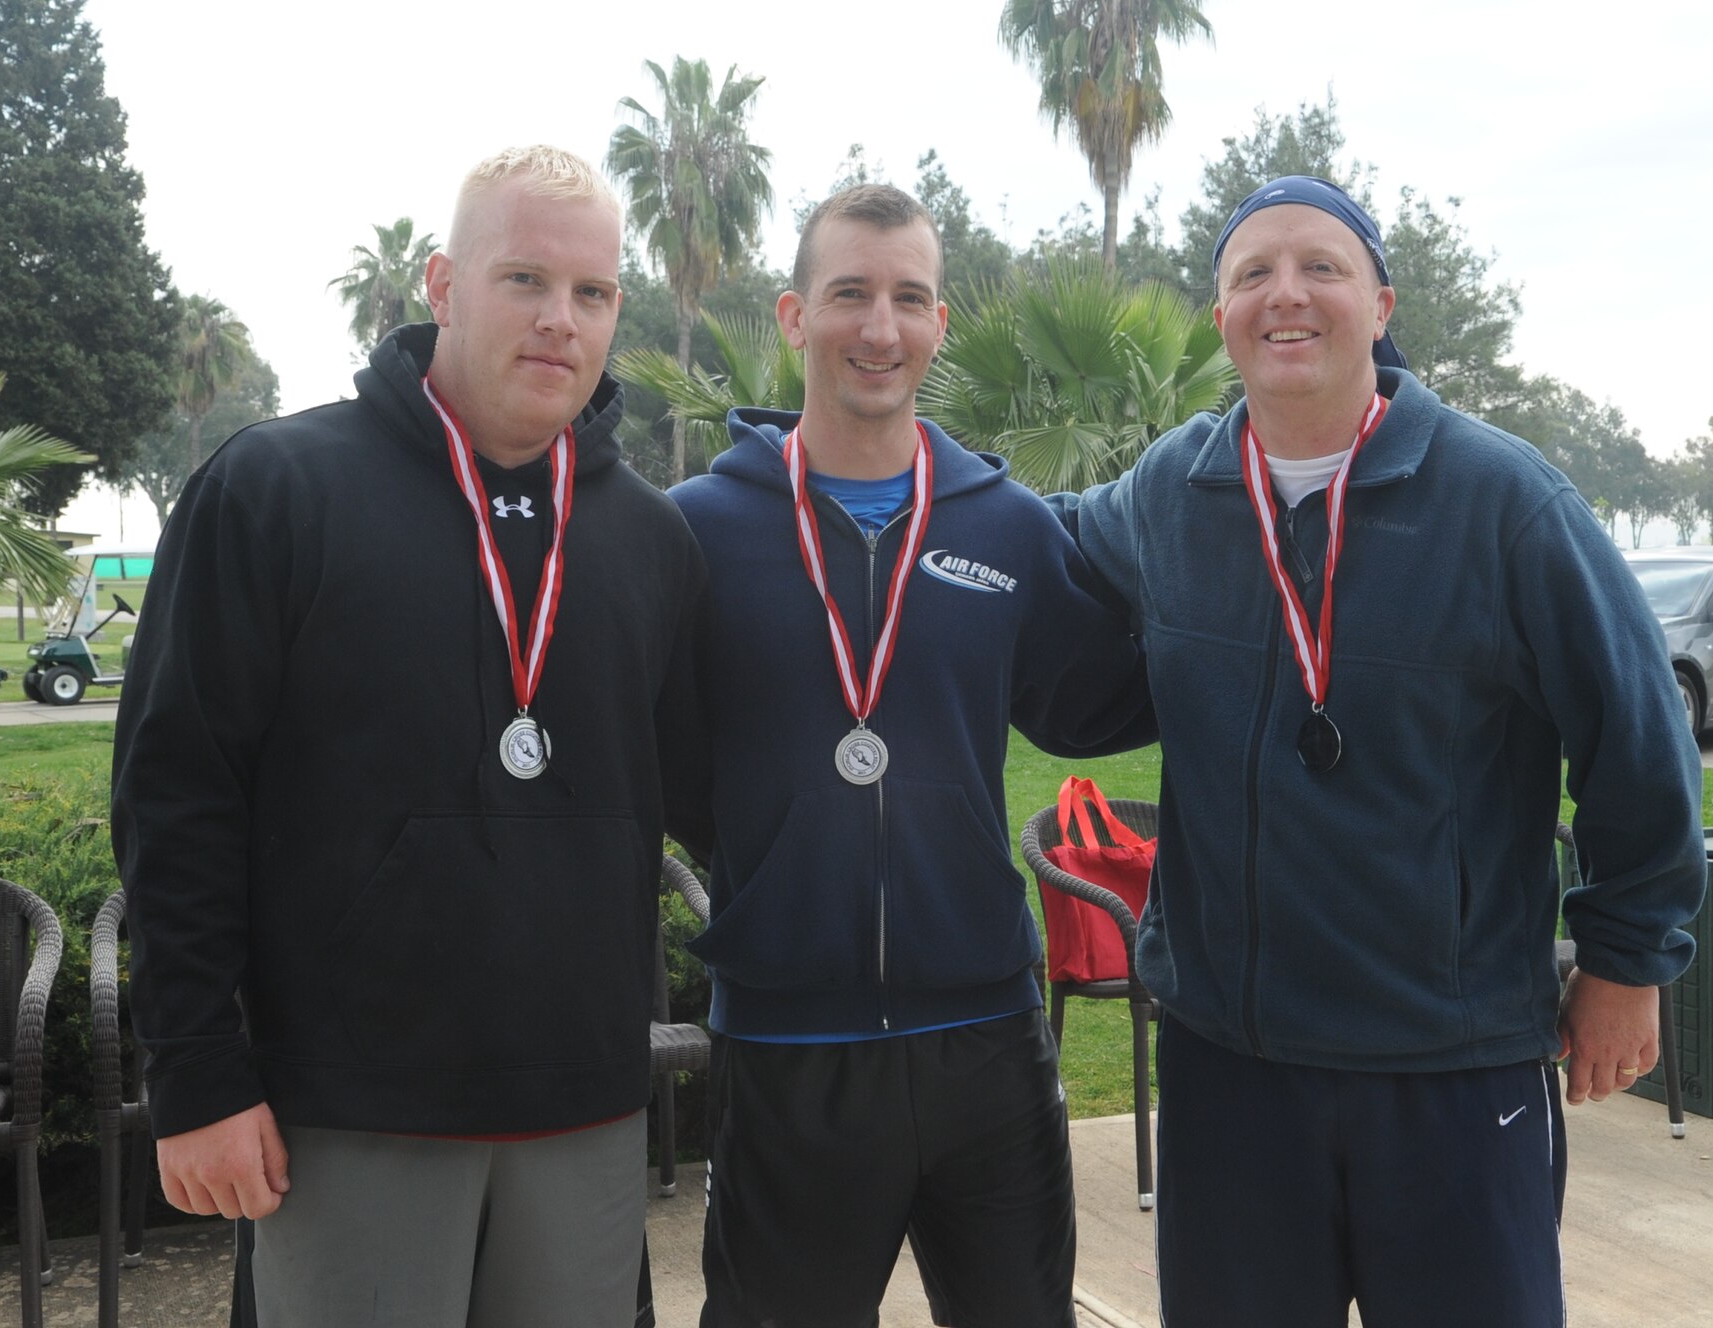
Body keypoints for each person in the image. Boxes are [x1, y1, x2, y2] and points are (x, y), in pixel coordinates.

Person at [1058, 176, 1707, 1327]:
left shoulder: (1502, 501)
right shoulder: (1172, 490)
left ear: (1380, 300)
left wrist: (1626, 960)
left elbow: (1636, 730)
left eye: (1319, 266)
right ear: (1221, 318)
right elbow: (1030, 539)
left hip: (1447, 1067)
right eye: (1250, 274)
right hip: (1228, 1063)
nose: (1284, 294)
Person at [111, 145, 705, 1327]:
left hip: (583, 1105)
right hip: (348, 1107)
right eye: (523, 278)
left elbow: (704, 795)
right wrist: (194, 1076)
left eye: (591, 294)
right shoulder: (274, 488)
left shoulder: (648, 537)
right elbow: (178, 796)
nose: (558, 319)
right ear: (440, 284)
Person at [667, 183, 1153, 1328]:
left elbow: (1097, 697)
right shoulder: (696, 530)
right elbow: (659, 760)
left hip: (985, 1039)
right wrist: (770, 863)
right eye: (849, 294)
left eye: (907, 299)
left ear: (936, 323)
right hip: (788, 1045)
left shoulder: (1003, 523)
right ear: (793, 315)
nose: (877, 328)